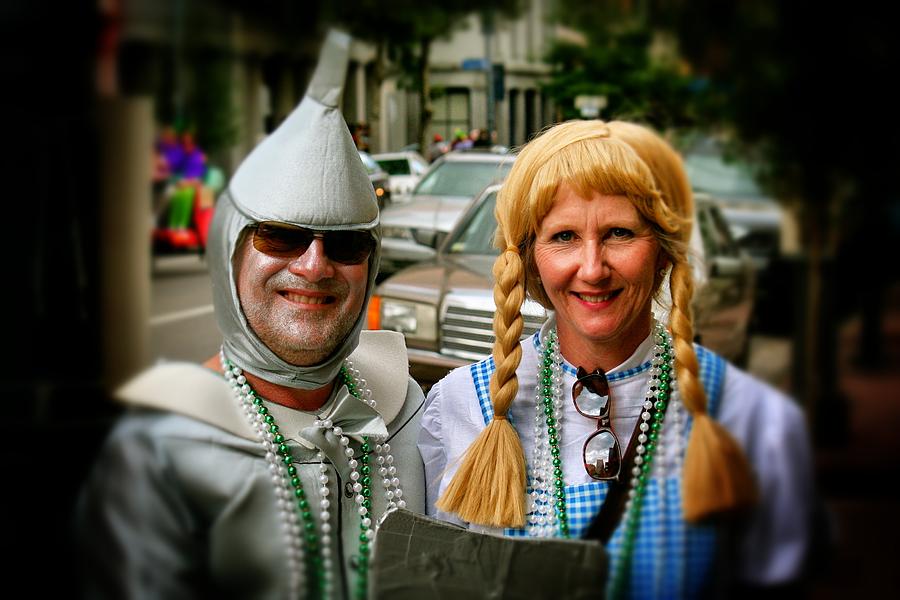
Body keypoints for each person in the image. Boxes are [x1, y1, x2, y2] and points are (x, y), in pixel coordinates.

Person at [76, 30, 426, 600]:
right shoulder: (163, 450)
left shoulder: (408, 412)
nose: (314, 267)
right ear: (230, 252)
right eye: (282, 236)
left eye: (345, 244)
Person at [418, 119, 814, 597]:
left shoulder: (749, 417)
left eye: (619, 233)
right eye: (563, 236)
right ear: (529, 260)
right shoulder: (460, 406)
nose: (592, 268)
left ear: (663, 253)